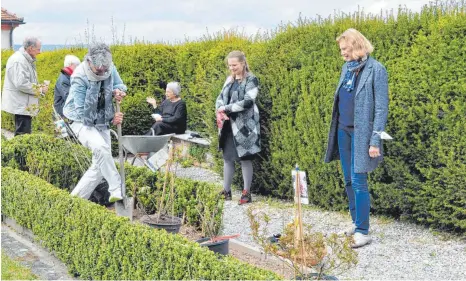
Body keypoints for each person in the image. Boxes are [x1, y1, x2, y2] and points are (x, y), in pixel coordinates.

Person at [324, 28, 389, 248]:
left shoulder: (376, 69)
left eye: (345, 49)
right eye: (341, 49)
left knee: (359, 181)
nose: (342, 53)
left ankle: (363, 231)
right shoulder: (347, 68)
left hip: (362, 135)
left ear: (357, 46)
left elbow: (381, 108)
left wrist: (375, 140)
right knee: (349, 180)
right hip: (343, 131)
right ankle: (355, 221)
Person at [63, 43, 127, 203]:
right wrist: (112, 117)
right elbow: (82, 112)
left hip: (101, 119)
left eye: (105, 69)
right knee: (101, 148)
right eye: (99, 70)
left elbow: (119, 84)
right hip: (79, 120)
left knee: (99, 166)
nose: (103, 72)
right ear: (89, 62)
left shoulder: (110, 68)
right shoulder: (79, 77)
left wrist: (118, 91)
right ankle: (116, 187)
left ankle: (74, 202)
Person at [216, 50, 261, 205]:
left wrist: (226, 108)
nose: (232, 68)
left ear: (242, 63)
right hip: (228, 125)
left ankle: (246, 193)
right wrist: (220, 107)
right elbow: (220, 98)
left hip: (246, 126)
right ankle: (226, 191)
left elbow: (249, 101)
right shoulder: (229, 80)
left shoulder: (251, 80)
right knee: (227, 158)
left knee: (245, 159)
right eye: (230, 65)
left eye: (234, 65)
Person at [2, 37, 48, 136]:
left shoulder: (24, 59)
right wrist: (40, 89)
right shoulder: (19, 60)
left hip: (23, 103)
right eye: (38, 49)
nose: (40, 52)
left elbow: (24, 81)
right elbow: (21, 83)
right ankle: (17, 152)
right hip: (21, 104)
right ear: (31, 48)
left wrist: (38, 86)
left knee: (23, 133)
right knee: (22, 135)